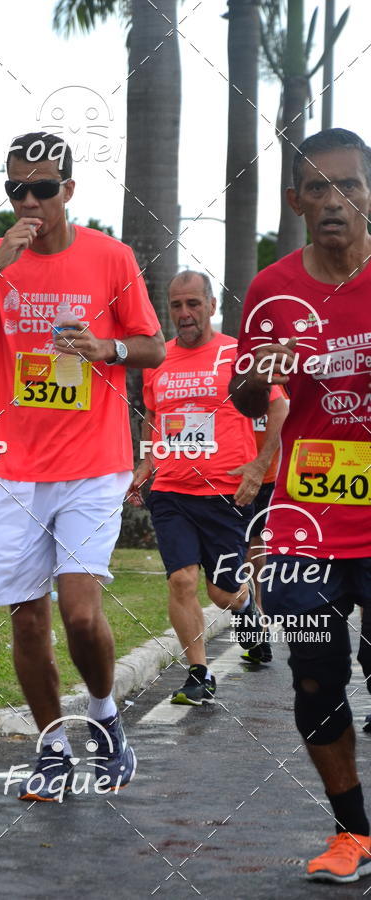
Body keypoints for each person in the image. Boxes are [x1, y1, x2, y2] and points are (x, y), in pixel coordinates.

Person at [0, 131, 165, 802]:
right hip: (17, 469)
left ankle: (105, 716)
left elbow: (152, 346)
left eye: (41, 188)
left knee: (80, 614)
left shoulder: (111, 257)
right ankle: (53, 747)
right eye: (17, 189)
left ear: (68, 189)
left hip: (93, 463)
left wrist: (107, 348)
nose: (29, 201)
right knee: (27, 619)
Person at [230, 127, 371, 883]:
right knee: (315, 674)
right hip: (306, 518)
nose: (335, 201)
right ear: (296, 202)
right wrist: (261, 376)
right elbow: (245, 396)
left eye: (350, 185)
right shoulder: (272, 289)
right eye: (319, 188)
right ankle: (352, 835)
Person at [127, 271, 283, 705]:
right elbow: (153, 416)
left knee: (222, 592)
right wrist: (147, 461)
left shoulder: (238, 355)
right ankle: (199, 673)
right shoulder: (159, 359)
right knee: (181, 580)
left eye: (193, 303)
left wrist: (258, 467)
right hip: (172, 491)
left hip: (225, 493)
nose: (184, 313)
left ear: (212, 306)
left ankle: (247, 611)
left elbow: (280, 408)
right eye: (176, 305)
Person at [240, 389, 289, 664]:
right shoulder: (228, 377)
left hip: (273, 475)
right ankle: (253, 614)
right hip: (229, 471)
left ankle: (258, 614)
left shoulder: (284, 383)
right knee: (246, 545)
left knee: (256, 542)